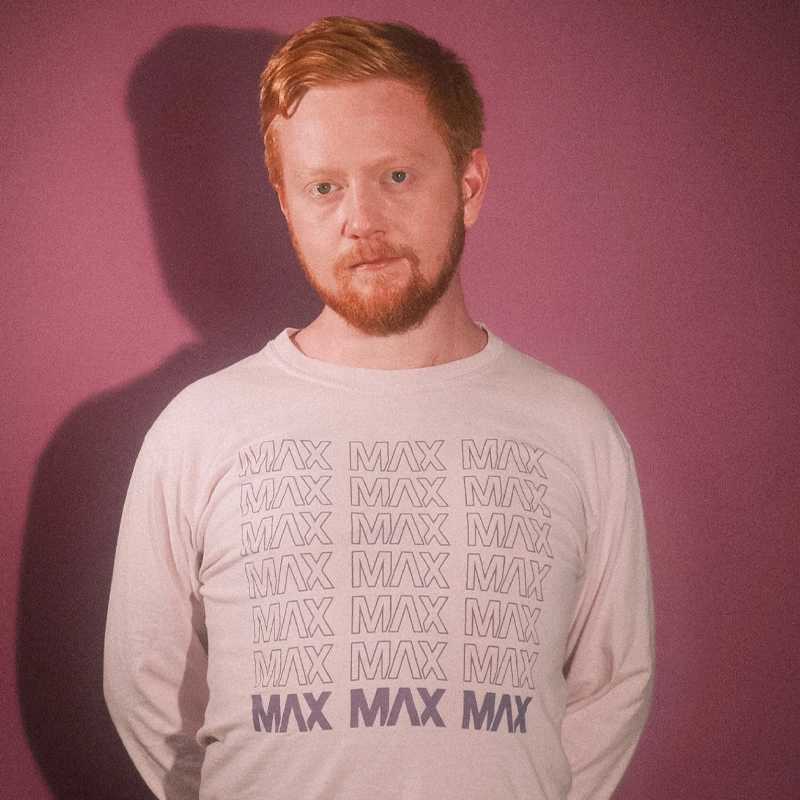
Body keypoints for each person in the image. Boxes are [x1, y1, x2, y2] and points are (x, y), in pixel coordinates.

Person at [104, 16, 654, 800]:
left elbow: (610, 688)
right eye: (323, 186)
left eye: (396, 177)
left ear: (468, 185)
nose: (360, 219)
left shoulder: (574, 430)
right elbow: (147, 690)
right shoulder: (198, 430)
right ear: (288, 205)